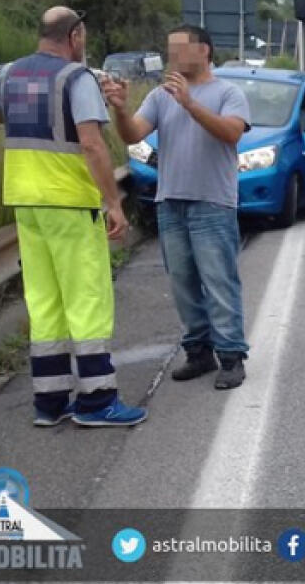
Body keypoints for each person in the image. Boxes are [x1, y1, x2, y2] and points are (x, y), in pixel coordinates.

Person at [0, 6, 147, 427]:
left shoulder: (8, 74)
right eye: (83, 37)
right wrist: (113, 203)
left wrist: (8, 115)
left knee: (45, 300)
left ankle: (50, 402)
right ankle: (97, 401)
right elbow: (92, 145)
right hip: (69, 201)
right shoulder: (78, 78)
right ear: (74, 37)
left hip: (26, 202)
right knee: (87, 298)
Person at [106, 25, 252, 390]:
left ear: (203, 50)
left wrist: (189, 103)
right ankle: (198, 351)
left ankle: (231, 355)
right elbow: (132, 134)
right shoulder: (159, 95)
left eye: (179, 49)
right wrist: (121, 110)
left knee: (218, 281)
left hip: (212, 202)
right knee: (182, 283)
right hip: (170, 202)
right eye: (168, 49)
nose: (171, 57)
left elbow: (231, 133)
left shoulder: (228, 92)